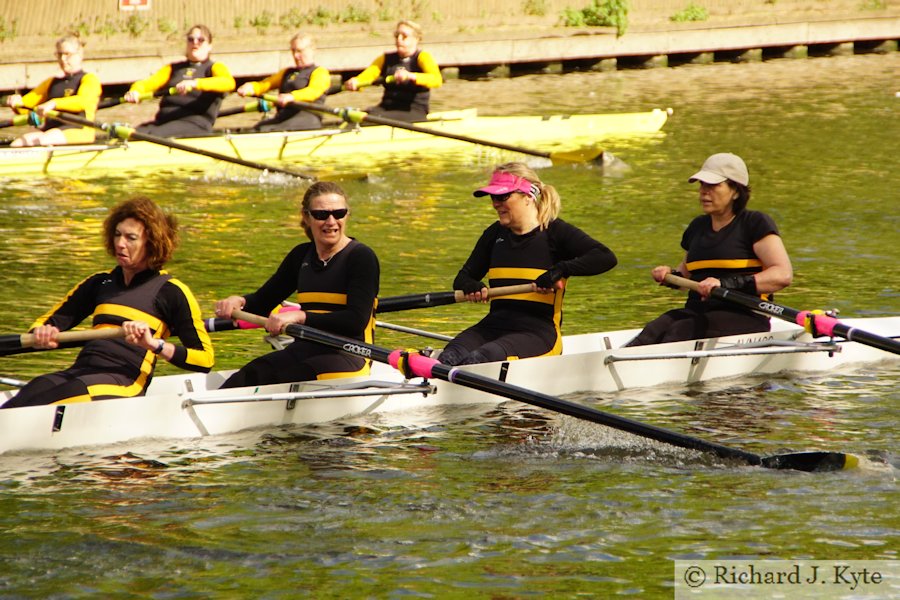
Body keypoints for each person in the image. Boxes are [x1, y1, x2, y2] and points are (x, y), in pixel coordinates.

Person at [2, 197, 215, 409]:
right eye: (117, 235)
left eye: (131, 238)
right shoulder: (100, 282)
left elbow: (204, 359)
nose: (120, 243)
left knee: (52, 399)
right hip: (80, 371)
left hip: (124, 382)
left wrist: (153, 344)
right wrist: (41, 332)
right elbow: (50, 321)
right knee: (29, 394)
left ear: (152, 244)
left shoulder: (172, 292)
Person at [438, 162, 618, 366]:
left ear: (527, 196)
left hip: (538, 333)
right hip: (493, 326)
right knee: (448, 357)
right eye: (492, 197)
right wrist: (473, 286)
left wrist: (561, 269)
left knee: (481, 358)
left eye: (502, 196)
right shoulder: (494, 234)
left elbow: (605, 257)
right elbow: (462, 279)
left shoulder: (555, 233)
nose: (495, 203)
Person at [214, 181, 380, 388]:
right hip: (304, 348)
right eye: (321, 215)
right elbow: (262, 301)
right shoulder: (301, 255)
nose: (331, 221)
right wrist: (237, 301)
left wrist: (300, 316)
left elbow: (355, 321)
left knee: (278, 377)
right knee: (246, 378)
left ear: (347, 215)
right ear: (306, 216)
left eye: (339, 213)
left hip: (348, 354)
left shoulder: (361, 257)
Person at [625, 152, 793, 346]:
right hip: (699, 312)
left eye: (713, 185)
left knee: (681, 329)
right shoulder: (697, 227)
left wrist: (725, 283)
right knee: (656, 327)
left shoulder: (754, 223)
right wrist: (669, 275)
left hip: (744, 315)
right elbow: (686, 278)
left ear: (736, 191)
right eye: (702, 185)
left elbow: (782, 275)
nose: (704, 191)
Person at [124, 24, 235, 137]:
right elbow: (147, 83)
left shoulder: (214, 68)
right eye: (191, 39)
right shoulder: (172, 68)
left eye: (201, 40)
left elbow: (228, 83)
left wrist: (195, 83)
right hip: (163, 122)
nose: (195, 42)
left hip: (195, 123)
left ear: (209, 46)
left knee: (152, 135)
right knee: (129, 135)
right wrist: (136, 91)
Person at [4, 34, 101, 147]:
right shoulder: (51, 82)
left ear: (79, 55)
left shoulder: (89, 79)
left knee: (46, 139)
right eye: (59, 54)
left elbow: (82, 102)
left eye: (67, 54)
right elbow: (26, 107)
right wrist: (16, 103)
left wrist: (53, 103)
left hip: (80, 130)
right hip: (52, 130)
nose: (63, 59)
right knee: (18, 144)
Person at [343, 20, 442, 122]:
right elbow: (369, 74)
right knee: (353, 117)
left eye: (404, 36)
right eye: (396, 36)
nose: (399, 39)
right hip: (385, 108)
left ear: (416, 39)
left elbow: (436, 80)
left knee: (374, 118)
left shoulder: (423, 57)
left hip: (413, 111)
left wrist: (411, 76)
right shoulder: (385, 58)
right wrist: (356, 82)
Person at [235, 33, 331, 132]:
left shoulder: (320, 72)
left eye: (299, 51)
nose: (295, 55)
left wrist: (292, 96)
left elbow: (313, 92)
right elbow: (265, 84)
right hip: (284, 118)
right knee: (257, 129)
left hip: (307, 120)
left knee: (268, 130)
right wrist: (251, 87)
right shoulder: (286, 72)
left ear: (312, 50)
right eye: (293, 51)